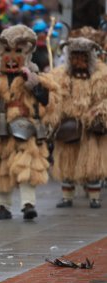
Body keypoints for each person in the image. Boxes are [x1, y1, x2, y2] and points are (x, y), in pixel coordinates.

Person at [0, 24, 59, 220]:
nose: (11, 56)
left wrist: (32, 83)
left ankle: (28, 204)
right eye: (7, 50)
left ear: (26, 53)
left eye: (17, 51)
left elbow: (47, 102)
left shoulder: (35, 76)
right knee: (1, 168)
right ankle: (3, 206)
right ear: (0, 52)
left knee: (28, 166)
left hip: (25, 127)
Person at [48, 37, 107, 208]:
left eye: (83, 56)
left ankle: (94, 197)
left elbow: (104, 98)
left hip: (91, 129)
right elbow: (56, 99)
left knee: (93, 164)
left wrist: (99, 111)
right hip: (68, 127)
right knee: (67, 163)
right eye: (75, 56)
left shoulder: (101, 76)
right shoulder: (60, 76)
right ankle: (67, 197)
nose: (79, 60)